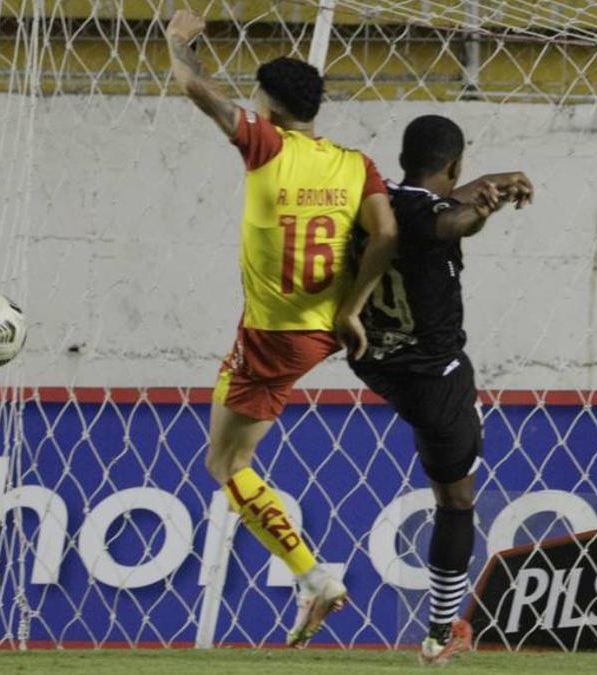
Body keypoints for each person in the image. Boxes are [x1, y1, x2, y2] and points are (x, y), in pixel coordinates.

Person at [165, 10, 397, 646]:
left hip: (273, 335)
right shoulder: (356, 164)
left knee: (224, 462)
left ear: (267, 107)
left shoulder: (264, 144)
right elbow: (386, 232)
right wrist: (352, 307)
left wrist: (177, 41)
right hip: (321, 326)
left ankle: (313, 576)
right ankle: (310, 577)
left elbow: (194, 88)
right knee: (229, 424)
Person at [348, 115, 532, 664]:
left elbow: (428, 208)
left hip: (373, 360)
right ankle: (439, 633)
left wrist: (483, 190)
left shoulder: (375, 200)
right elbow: (447, 223)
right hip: (435, 378)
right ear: (455, 165)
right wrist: (480, 210)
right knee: (456, 500)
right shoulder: (436, 217)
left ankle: (440, 632)